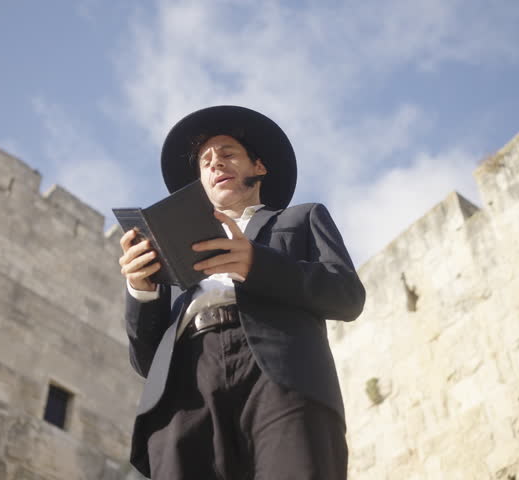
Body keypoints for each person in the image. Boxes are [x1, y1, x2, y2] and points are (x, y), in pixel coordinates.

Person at [118, 106, 365, 479]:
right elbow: (145, 361)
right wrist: (141, 291)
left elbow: (347, 295)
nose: (215, 163)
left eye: (228, 153)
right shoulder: (174, 257)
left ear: (259, 167)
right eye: (205, 162)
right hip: (186, 389)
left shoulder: (300, 219)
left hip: (278, 376)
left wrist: (258, 265)